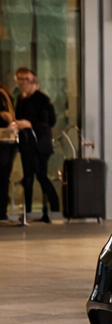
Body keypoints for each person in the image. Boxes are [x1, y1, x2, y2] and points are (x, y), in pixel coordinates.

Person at [11, 67, 59, 223]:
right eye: (20, 80)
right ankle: (28, 212)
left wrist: (29, 124)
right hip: (27, 144)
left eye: (26, 80)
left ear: (33, 83)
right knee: (28, 178)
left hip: (40, 144)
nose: (23, 83)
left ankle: (55, 209)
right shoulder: (21, 99)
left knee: (41, 176)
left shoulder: (42, 99)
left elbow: (50, 122)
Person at [0, 86, 17, 224]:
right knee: (3, 178)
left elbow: (7, 117)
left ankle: (1, 212)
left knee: (2, 178)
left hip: (3, 144)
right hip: (7, 144)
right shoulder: (5, 93)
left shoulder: (1, 95)